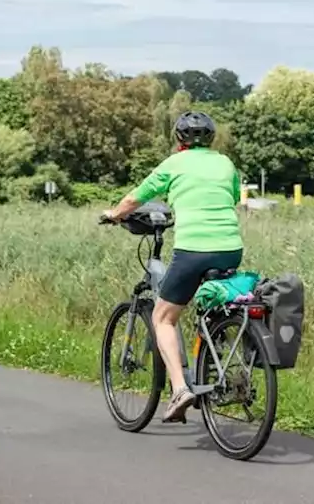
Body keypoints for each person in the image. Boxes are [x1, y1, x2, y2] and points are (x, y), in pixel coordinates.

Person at [102, 110, 243, 424]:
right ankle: (214, 357)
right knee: (211, 306)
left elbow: (135, 198)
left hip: (193, 249)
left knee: (162, 317)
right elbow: (232, 197)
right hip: (231, 249)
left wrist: (115, 214)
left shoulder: (173, 164)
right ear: (211, 138)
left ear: (179, 139)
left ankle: (180, 389)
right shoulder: (225, 163)